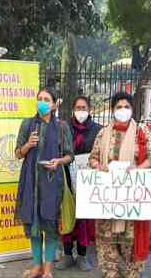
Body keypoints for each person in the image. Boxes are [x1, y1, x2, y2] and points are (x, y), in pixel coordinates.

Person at [88, 92, 151, 278]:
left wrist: (138, 168)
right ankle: (111, 273)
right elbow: (93, 157)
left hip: (132, 198)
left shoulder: (142, 132)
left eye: (126, 107)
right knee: (106, 238)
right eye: (118, 107)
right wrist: (98, 166)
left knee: (130, 241)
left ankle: (132, 273)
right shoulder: (103, 133)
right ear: (112, 110)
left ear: (132, 109)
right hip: (108, 197)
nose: (122, 110)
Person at [15, 88, 74, 278]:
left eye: (46, 99)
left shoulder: (62, 126)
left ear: (54, 104)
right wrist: (28, 145)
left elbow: (70, 155)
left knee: (49, 224)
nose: (42, 102)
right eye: (39, 98)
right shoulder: (27, 124)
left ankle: (48, 269)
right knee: (33, 225)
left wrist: (58, 161)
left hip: (51, 181)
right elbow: (17, 154)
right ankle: (36, 266)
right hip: (30, 180)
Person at [55, 96, 102, 271]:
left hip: (88, 180)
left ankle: (82, 255)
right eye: (78, 107)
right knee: (67, 214)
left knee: (84, 219)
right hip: (67, 178)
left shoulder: (98, 130)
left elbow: (100, 152)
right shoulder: (64, 127)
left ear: (89, 110)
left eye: (84, 107)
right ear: (73, 109)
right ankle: (67, 254)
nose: (80, 111)